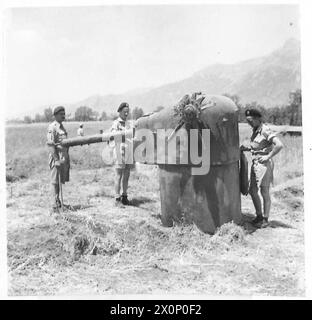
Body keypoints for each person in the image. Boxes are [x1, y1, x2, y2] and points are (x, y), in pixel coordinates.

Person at [240, 109, 283, 228]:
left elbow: (279, 145)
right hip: (256, 164)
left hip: (264, 165)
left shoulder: (265, 130)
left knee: (264, 192)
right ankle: (258, 216)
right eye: (248, 121)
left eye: (251, 120)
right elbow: (259, 146)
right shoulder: (255, 130)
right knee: (253, 191)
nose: (249, 123)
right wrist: (247, 148)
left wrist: (268, 156)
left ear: (258, 119)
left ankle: (265, 219)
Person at [109, 102, 134, 206]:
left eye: (127, 112)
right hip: (119, 151)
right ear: (119, 111)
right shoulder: (116, 123)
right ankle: (117, 198)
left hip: (128, 151)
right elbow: (115, 136)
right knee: (118, 175)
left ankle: (124, 196)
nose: (126, 113)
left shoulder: (129, 124)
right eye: (124, 111)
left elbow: (132, 135)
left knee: (127, 175)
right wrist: (126, 134)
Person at [46, 106, 70, 211]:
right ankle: (54, 205)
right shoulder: (52, 127)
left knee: (59, 181)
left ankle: (58, 202)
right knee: (55, 182)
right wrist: (56, 160)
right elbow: (51, 145)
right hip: (56, 157)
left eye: (64, 114)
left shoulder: (62, 127)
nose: (63, 115)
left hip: (62, 157)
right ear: (55, 115)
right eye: (61, 114)